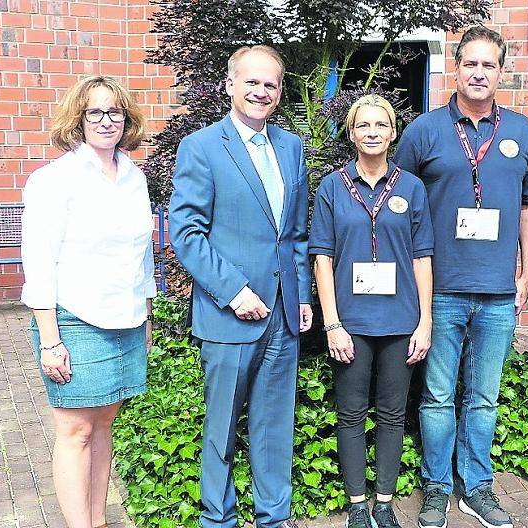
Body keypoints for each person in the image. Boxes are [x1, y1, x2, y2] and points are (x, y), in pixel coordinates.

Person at [394, 26, 528, 528]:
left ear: (501, 72)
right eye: (471, 63)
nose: (479, 73)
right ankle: (437, 487)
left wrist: (527, 273)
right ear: (455, 68)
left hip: (499, 293)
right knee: (437, 396)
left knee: (483, 397)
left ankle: (476, 486)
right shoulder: (424, 131)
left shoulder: (523, 132)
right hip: (439, 291)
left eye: (490, 65)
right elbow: (400, 206)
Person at [168, 45, 312, 528]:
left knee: (274, 427)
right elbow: (186, 232)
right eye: (251, 82)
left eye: (271, 84)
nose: (261, 91)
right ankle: (219, 520)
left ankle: (275, 517)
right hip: (229, 314)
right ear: (229, 85)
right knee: (222, 428)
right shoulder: (202, 146)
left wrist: (303, 294)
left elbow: (293, 234)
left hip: (283, 316)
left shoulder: (291, 148)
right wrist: (233, 290)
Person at [20, 75, 154, 528]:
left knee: (102, 427)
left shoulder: (134, 178)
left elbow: (143, 254)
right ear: (78, 119)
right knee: (75, 430)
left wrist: (147, 320)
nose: (105, 120)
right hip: (73, 320)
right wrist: (50, 340)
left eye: (114, 111)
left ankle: (96, 521)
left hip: (127, 321)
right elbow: (38, 263)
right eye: (94, 112)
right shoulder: (53, 180)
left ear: (126, 118)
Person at [309, 94, 434, 528]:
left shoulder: (412, 188)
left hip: (401, 321)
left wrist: (425, 321)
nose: (373, 132)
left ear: (393, 132)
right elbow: (322, 258)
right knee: (350, 414)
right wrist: (333, 325)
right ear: (351, 132)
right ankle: (357, 505)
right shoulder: (332, 187)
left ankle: (384, 502)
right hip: (352, 323)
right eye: (364, 125)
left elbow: (422, 258)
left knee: (394, 414)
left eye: (381, 125)